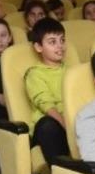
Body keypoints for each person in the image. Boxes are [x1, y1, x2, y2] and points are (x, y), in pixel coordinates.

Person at [24, 18, 70, 162]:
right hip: (50, 125)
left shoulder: (71, 71)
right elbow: (47, 105)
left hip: (71, 120)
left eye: (62, 40)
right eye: (52, 42)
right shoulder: (34, 73)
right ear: (38, 47)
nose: (60, 46)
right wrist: (67, 126)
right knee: (48, 125)